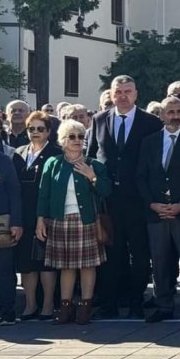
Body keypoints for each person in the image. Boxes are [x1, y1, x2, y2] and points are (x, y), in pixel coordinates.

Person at [86, 75, 163, 319]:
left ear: (136, 93)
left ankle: (136, 300)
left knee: (140, 254)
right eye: (118, 91)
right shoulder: (99, 120)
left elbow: (156, 162)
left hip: (139, 200)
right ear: (111, 94)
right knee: (111, 253)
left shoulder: (150, 122)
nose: (122, 96)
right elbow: (91, 157)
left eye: (127, 91)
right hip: (109, 200)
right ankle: (109, 302)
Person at [137, 96, 180, 322]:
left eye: (179, 111)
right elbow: (141, 177)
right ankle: (164, 306)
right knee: (159, 262)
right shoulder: (149, 142)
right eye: (171, 112)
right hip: (156, 213)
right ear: (162, 114)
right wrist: (152, 203)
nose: (175, 116)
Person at [36, 120, 110, 325]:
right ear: (62, 140)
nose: (77, 140)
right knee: (66, 266)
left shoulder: (94, 164)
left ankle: (85, 307)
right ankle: (66, 307)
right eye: (72, 136)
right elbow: (44, 194)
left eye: (80, 136)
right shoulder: (53, 163)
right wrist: (40, 220)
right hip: (60, 221)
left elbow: (107, 191)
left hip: (86, 221)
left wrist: (92, 176)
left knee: (87, 266)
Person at [12, 112, 61, 321]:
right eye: (31, 129)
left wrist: (45, 216)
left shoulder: (55, 154)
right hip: (22, 215)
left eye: (40, 129)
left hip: (46, 215)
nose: (35, 133)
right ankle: (30, 304)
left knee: (44, 262)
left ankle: (48, 304)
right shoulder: (19, 152)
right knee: (25, 262)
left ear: (49, 131)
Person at [0, 148, 23, 325]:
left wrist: (17, 222)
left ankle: (7, 312)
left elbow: (14, 191)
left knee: (4, 269)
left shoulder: (4, 160)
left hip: (2, 222)